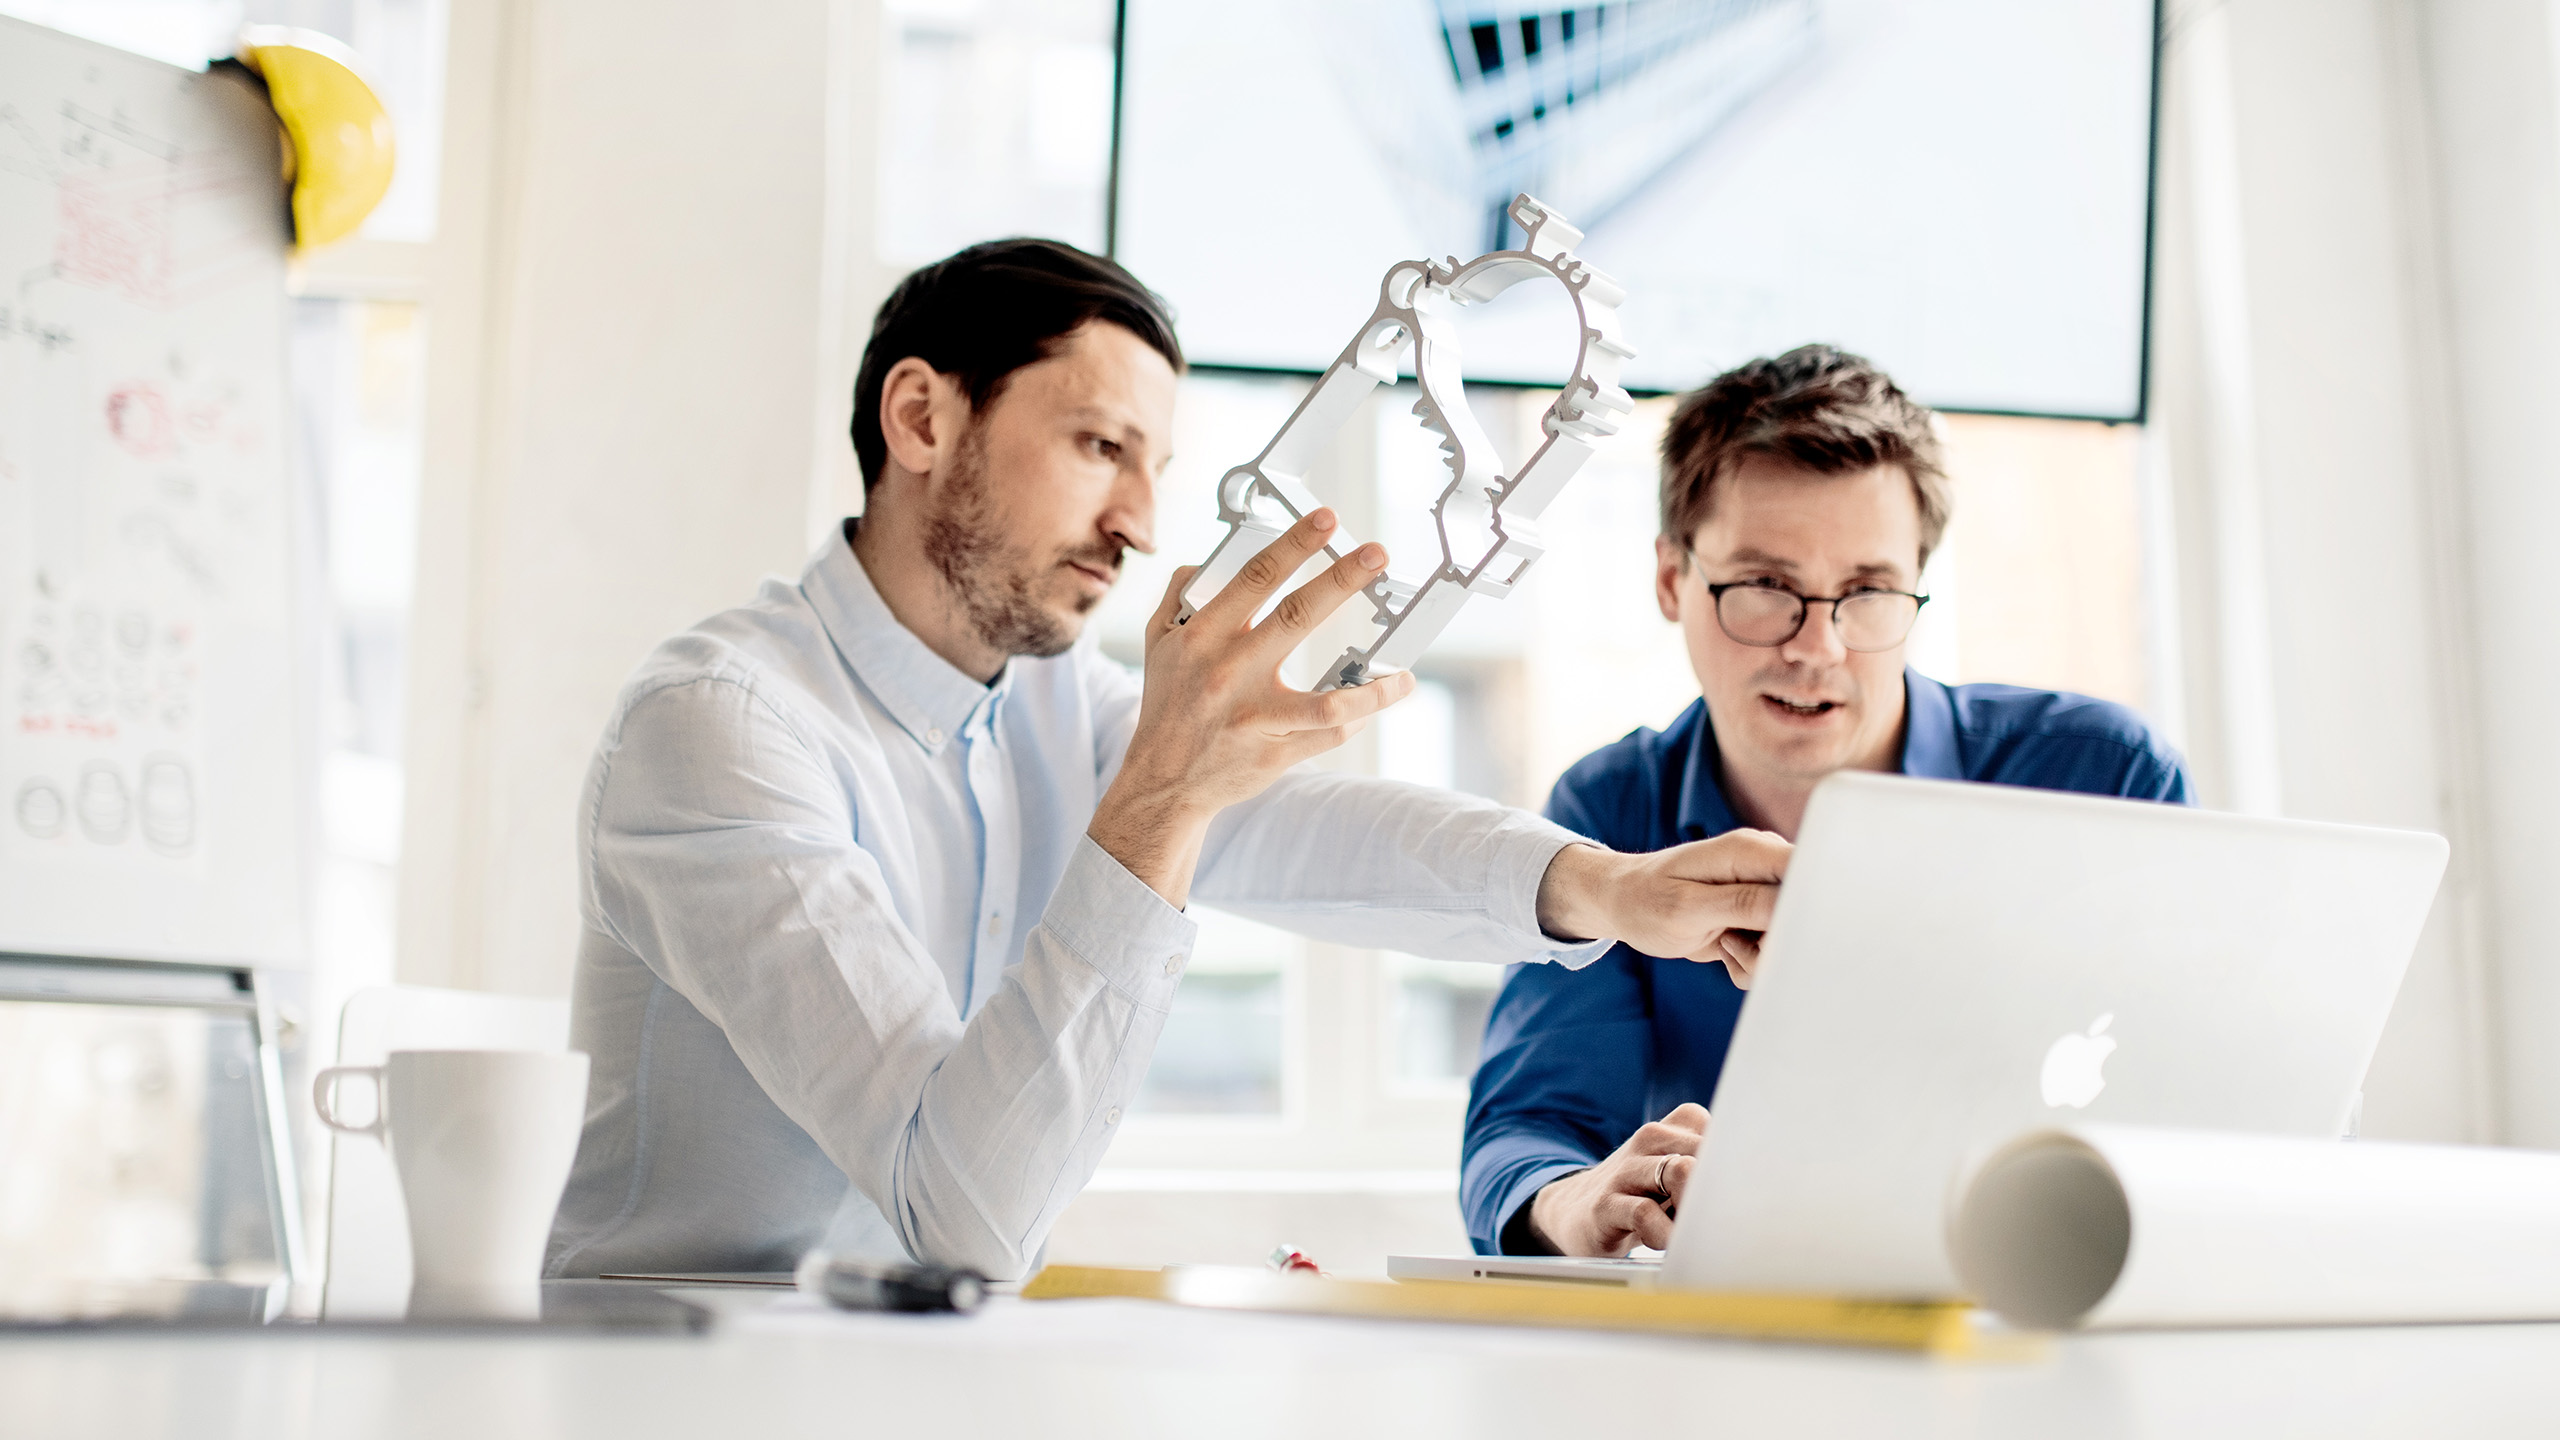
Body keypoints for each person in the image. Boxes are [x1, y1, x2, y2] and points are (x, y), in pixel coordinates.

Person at [543, 239, 1789, 1281]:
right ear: (921, 417)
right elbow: (961, 1218)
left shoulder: (1046, 705)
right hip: (679, 1382)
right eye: (1099, 447)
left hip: (909, 1381)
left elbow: (1311, 831)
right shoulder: (724, 729)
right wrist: (1164, 789)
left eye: (1155, 470)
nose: (1140, 525)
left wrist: (1610, 891)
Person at [1460, 345, 2192, 1259]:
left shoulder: (2101, 779)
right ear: (1670, 579)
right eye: (1765, 588)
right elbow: (1528, 1129)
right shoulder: (1613, 811)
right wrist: (1571, 1202)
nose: (1819, 646)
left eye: (1868, 592)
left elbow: (2202, 1094)